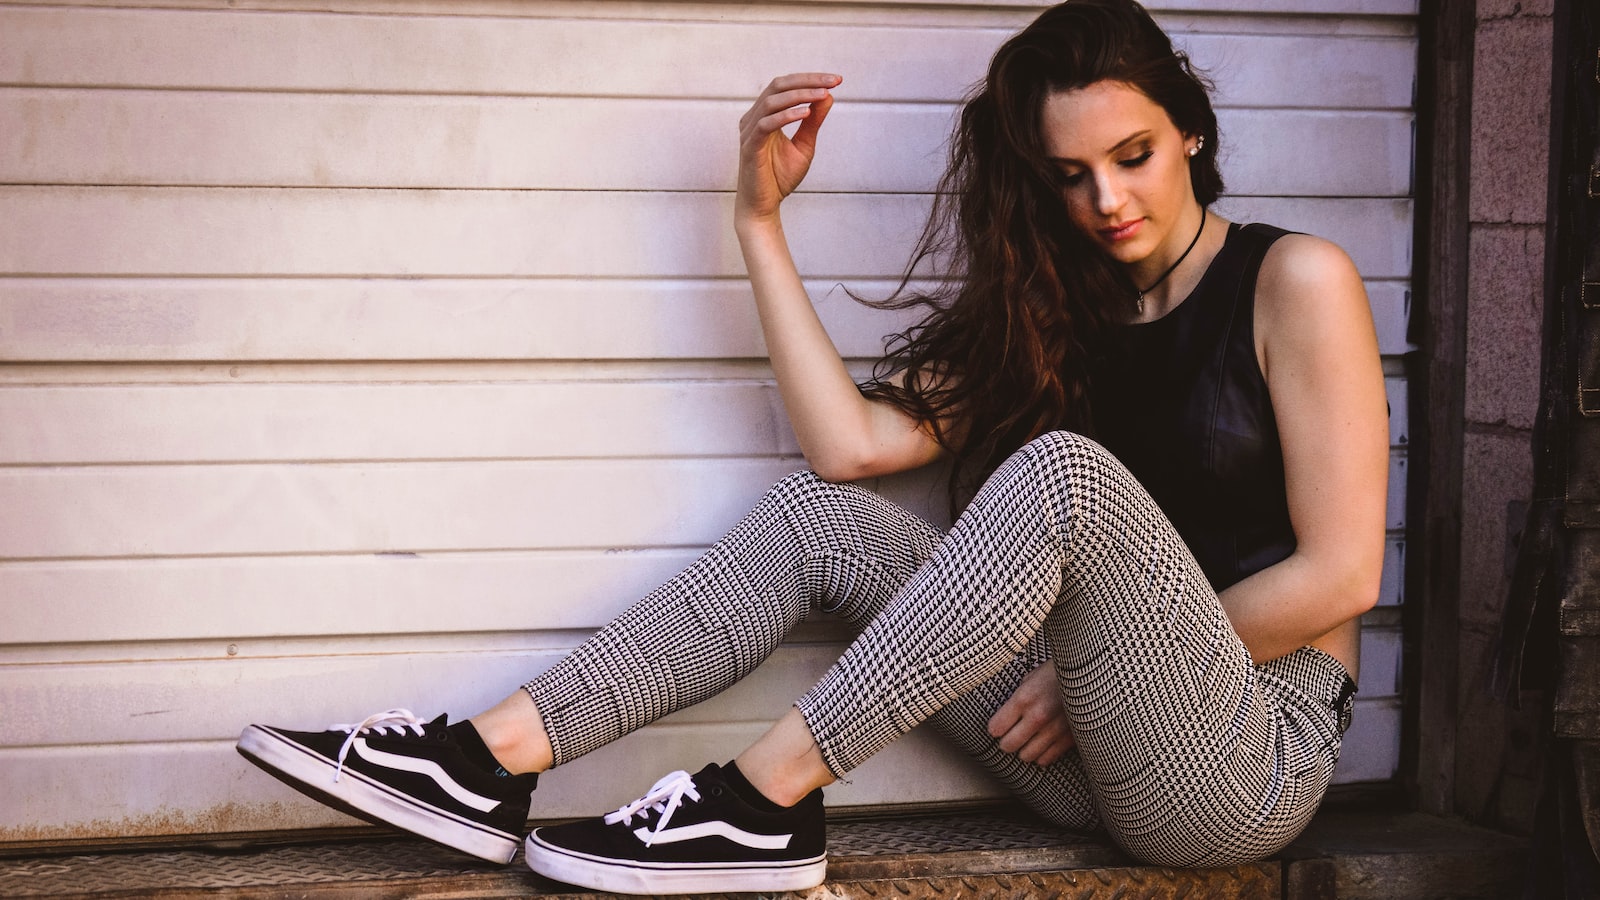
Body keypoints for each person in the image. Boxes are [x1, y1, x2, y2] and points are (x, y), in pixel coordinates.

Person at [235, 0, 1388, 893]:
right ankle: (484, 761)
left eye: (1132, 155)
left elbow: (1342, 574)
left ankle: (758, 800)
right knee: (819, 520)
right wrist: (757, 221)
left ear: (1191, 126)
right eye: (1070, 175)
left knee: (1064, 477)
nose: (1106, 199)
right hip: (1081, 753)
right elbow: (848, 448)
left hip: (1243, 756)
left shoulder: (1293, 280)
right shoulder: (1055, 310)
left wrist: (1073, 666)